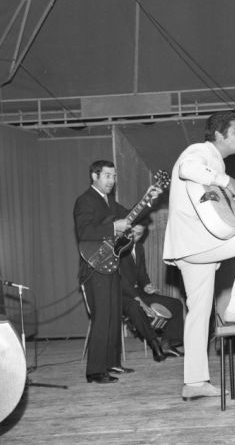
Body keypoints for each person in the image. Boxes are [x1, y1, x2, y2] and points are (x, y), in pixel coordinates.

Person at [162, 111, 235, 401]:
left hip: (190, 246)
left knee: (199, 313)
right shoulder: (200, 151)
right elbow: (187, 168)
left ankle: (194, 382)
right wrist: (225, 180)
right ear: (218, 135)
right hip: (196, 243)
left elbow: (218, 212)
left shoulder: (216, 163)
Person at [74, 160, 161, 383]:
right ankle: (95, 371)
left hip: (110, 265)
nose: (112, 180)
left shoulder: (109, 201)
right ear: (94, 176)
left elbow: (132, 215)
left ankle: (112, 363)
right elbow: (84, 232)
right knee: (103, 317)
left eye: (114, 176)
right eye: (107, 176)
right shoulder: (85, 200)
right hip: (94, 267)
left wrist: (148, 200)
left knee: (113, 316)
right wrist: (113, 226)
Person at [120, 223, 184, 362]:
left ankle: (167, 344)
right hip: (121, 295)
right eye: (132, 232)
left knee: (176, 304)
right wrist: (140, 301)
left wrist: (147, 285)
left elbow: (142, 273)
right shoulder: (118, 248)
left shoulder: (139, 247)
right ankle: (154, 342)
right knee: (136, 307)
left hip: (137, 291)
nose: (134, 237)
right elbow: (121, 280)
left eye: (139, 234)